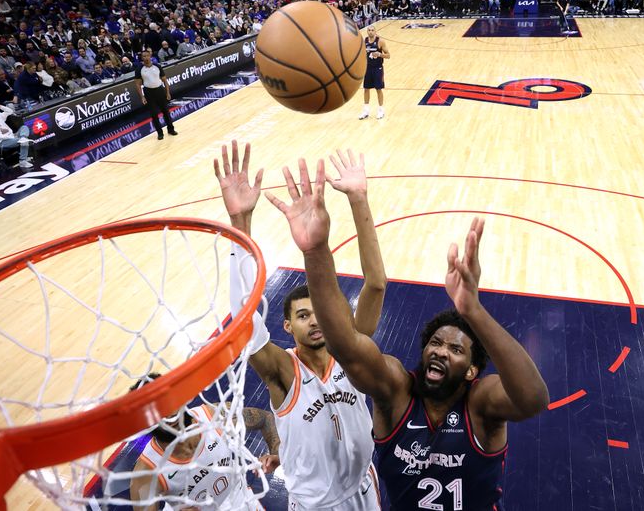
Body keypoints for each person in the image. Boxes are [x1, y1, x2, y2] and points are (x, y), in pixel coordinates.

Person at [265, 160, 550, 511]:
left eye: (456, 349)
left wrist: (473, 310)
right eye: (436, 343)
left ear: (472, 370)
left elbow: (533, 399)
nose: (442, 351)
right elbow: (346, 346)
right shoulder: (397, 392)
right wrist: (316, 250)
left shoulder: (481, 404)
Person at [214, 141, 386, 510]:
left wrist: (358, 198)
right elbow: (245, 321)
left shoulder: (352, 352)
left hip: (366, 490)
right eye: (303, 315)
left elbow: (376, 284)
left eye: (317, 312)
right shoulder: (283, 371)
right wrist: (240, 223)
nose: (314, 321)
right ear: (288, 327)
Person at [127, 373, 280, 510]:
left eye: (168, 402)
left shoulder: (213, 416)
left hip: (240, 501)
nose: (169, 415)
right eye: (157, 412)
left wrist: (276, 453)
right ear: (145, 423)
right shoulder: (147, 472)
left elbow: (265, 419)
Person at [134, 49, 177, 140]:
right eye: (144, 56)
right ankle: (160, 133)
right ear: (142, 58)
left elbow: (165, 80)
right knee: (154, 114)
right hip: (149, 92)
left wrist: (167, 92)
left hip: (160, 90)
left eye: (147, 55)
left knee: (165, 111)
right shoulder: (139, 69)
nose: (146, 58)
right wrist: (142, 97)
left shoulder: (157, 66)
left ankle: (171, 129)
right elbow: (137, 84)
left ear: (150, 56)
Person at [0, 104, 33, 169]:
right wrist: (12, 138)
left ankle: (23, 138)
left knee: (24, 128)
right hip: (1, 142)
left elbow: (10, 111)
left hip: (12, 136)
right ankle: (23, 161)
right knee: (23, 141)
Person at [358, 26, 390, 120]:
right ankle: (366, 111)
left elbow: (388, 55)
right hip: (367, 68)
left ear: (375, 31)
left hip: (377, 68)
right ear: (367, 31)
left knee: (378, 89)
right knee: (366, 89)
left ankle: (381, 110)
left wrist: (379, 54)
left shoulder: (380, 41)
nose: (371, 32)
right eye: (369, 30)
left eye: (372, 30)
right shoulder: (364, 41)